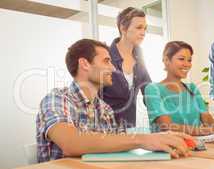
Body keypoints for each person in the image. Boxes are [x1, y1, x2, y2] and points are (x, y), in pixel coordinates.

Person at [36, 39, 195, 162]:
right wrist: (143, 139)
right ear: (84, 64)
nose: (113, 68)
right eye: (106, 61)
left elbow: (119, 144)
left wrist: (160, 139)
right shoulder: (57, 99)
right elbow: (70, 142)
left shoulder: (105, 109)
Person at [144, 41, 214, 136]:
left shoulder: (191, 88)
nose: (187, 64)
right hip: (168, 149)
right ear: (166, 60)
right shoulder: (153, 89)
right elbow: (166, 126)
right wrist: (210, 130)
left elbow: (208, 120)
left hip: (195, 145)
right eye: (181, 59)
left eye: (189, 60)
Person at [102, 7, 151, 128]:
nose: (143, 32)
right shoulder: (105, 55)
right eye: (139, 27)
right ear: (123, 28)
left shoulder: (140, 58)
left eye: (145, 28)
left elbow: (150, 93)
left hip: (129, 131)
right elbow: (93, 97)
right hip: (104, 132)